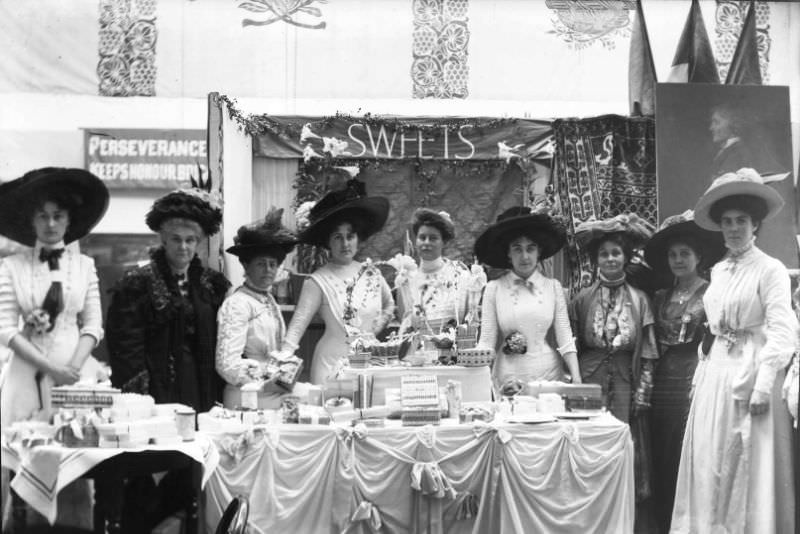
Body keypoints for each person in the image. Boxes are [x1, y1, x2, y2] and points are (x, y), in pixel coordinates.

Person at [671, 168, 797, 533]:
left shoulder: (770, 269)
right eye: (727, 222)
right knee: (711, 455)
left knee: (745, 457)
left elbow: (783, 331)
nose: (733, 228)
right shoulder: (719, 270)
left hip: (752, 372)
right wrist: (701, 374)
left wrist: (763, 384)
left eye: (741, 221)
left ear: (755, 225)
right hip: (716, 373)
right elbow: (712, 328)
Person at [0, 167, 108, 530]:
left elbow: (93, 325)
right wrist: (49, 366)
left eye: (57, 215)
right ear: (31, 220)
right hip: (26, 378)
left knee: (75, 466)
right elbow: (4, 329)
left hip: (74, 379)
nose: (50, 223)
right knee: (26, 461)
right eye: (42, 215)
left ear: (69, 220)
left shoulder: (85, 266)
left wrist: (73, 368)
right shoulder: (11, 267)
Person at [107, 186, 230, 412]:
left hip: (200, 382)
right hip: (156, 385)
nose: (183, 247)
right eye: (176, 239)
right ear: (163, 240)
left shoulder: (211, 285)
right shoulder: (137, 284)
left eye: (190, 240)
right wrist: (139, 395)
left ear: (198, 242)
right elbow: (125, 347)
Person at [642, 210, 725, 534]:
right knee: (660, 448)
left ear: (698, 256)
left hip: (695, 376)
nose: (678, 260)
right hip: (661, 378)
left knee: (689, 448)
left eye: (685, 254)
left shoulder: (711, 292)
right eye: (673, 255)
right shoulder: (661, 296)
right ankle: (664, 521)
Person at [281, 179, 394, 384]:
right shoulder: (317, 281)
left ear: (358, 239)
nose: (345, 244)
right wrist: (283, 362)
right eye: (337, 237)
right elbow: (298, 325)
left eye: (350, 236)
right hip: (330, 366)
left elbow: (389, 304)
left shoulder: (372, 273)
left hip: (369, 362)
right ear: (328, 242)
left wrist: (377, 327)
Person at [473, 207, 581, 392]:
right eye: (517, 248)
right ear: (508, 253)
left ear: (539, 252)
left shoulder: (553, 287)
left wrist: (577, 378)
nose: (524, 256)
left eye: (530, 248)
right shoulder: (494, 289)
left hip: (548, 377)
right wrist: (478, 381)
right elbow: (486, 342)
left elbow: (564, 336)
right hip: (507, 378)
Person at [215, 208, 297, 408]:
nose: (268, 270)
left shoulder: (267, 299)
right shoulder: (237, 304)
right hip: (247, 396)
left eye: (272, 264)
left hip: (272, 390)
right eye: (261, 264)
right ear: (246, 265)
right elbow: (227, 365)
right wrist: (268, 378)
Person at [396, 208, 471, 334]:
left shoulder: (460, 275)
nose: (426, 243)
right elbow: (405, 323)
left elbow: (469, 319)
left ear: (444, 242)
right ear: (416, 241)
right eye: (422, 237)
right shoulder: (406, 278)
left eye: (433, 238)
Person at [709, 103, 785, 180]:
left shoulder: (738, 152)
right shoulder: (727, 151)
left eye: (716, 122)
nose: (711, 128)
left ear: (732, 124)